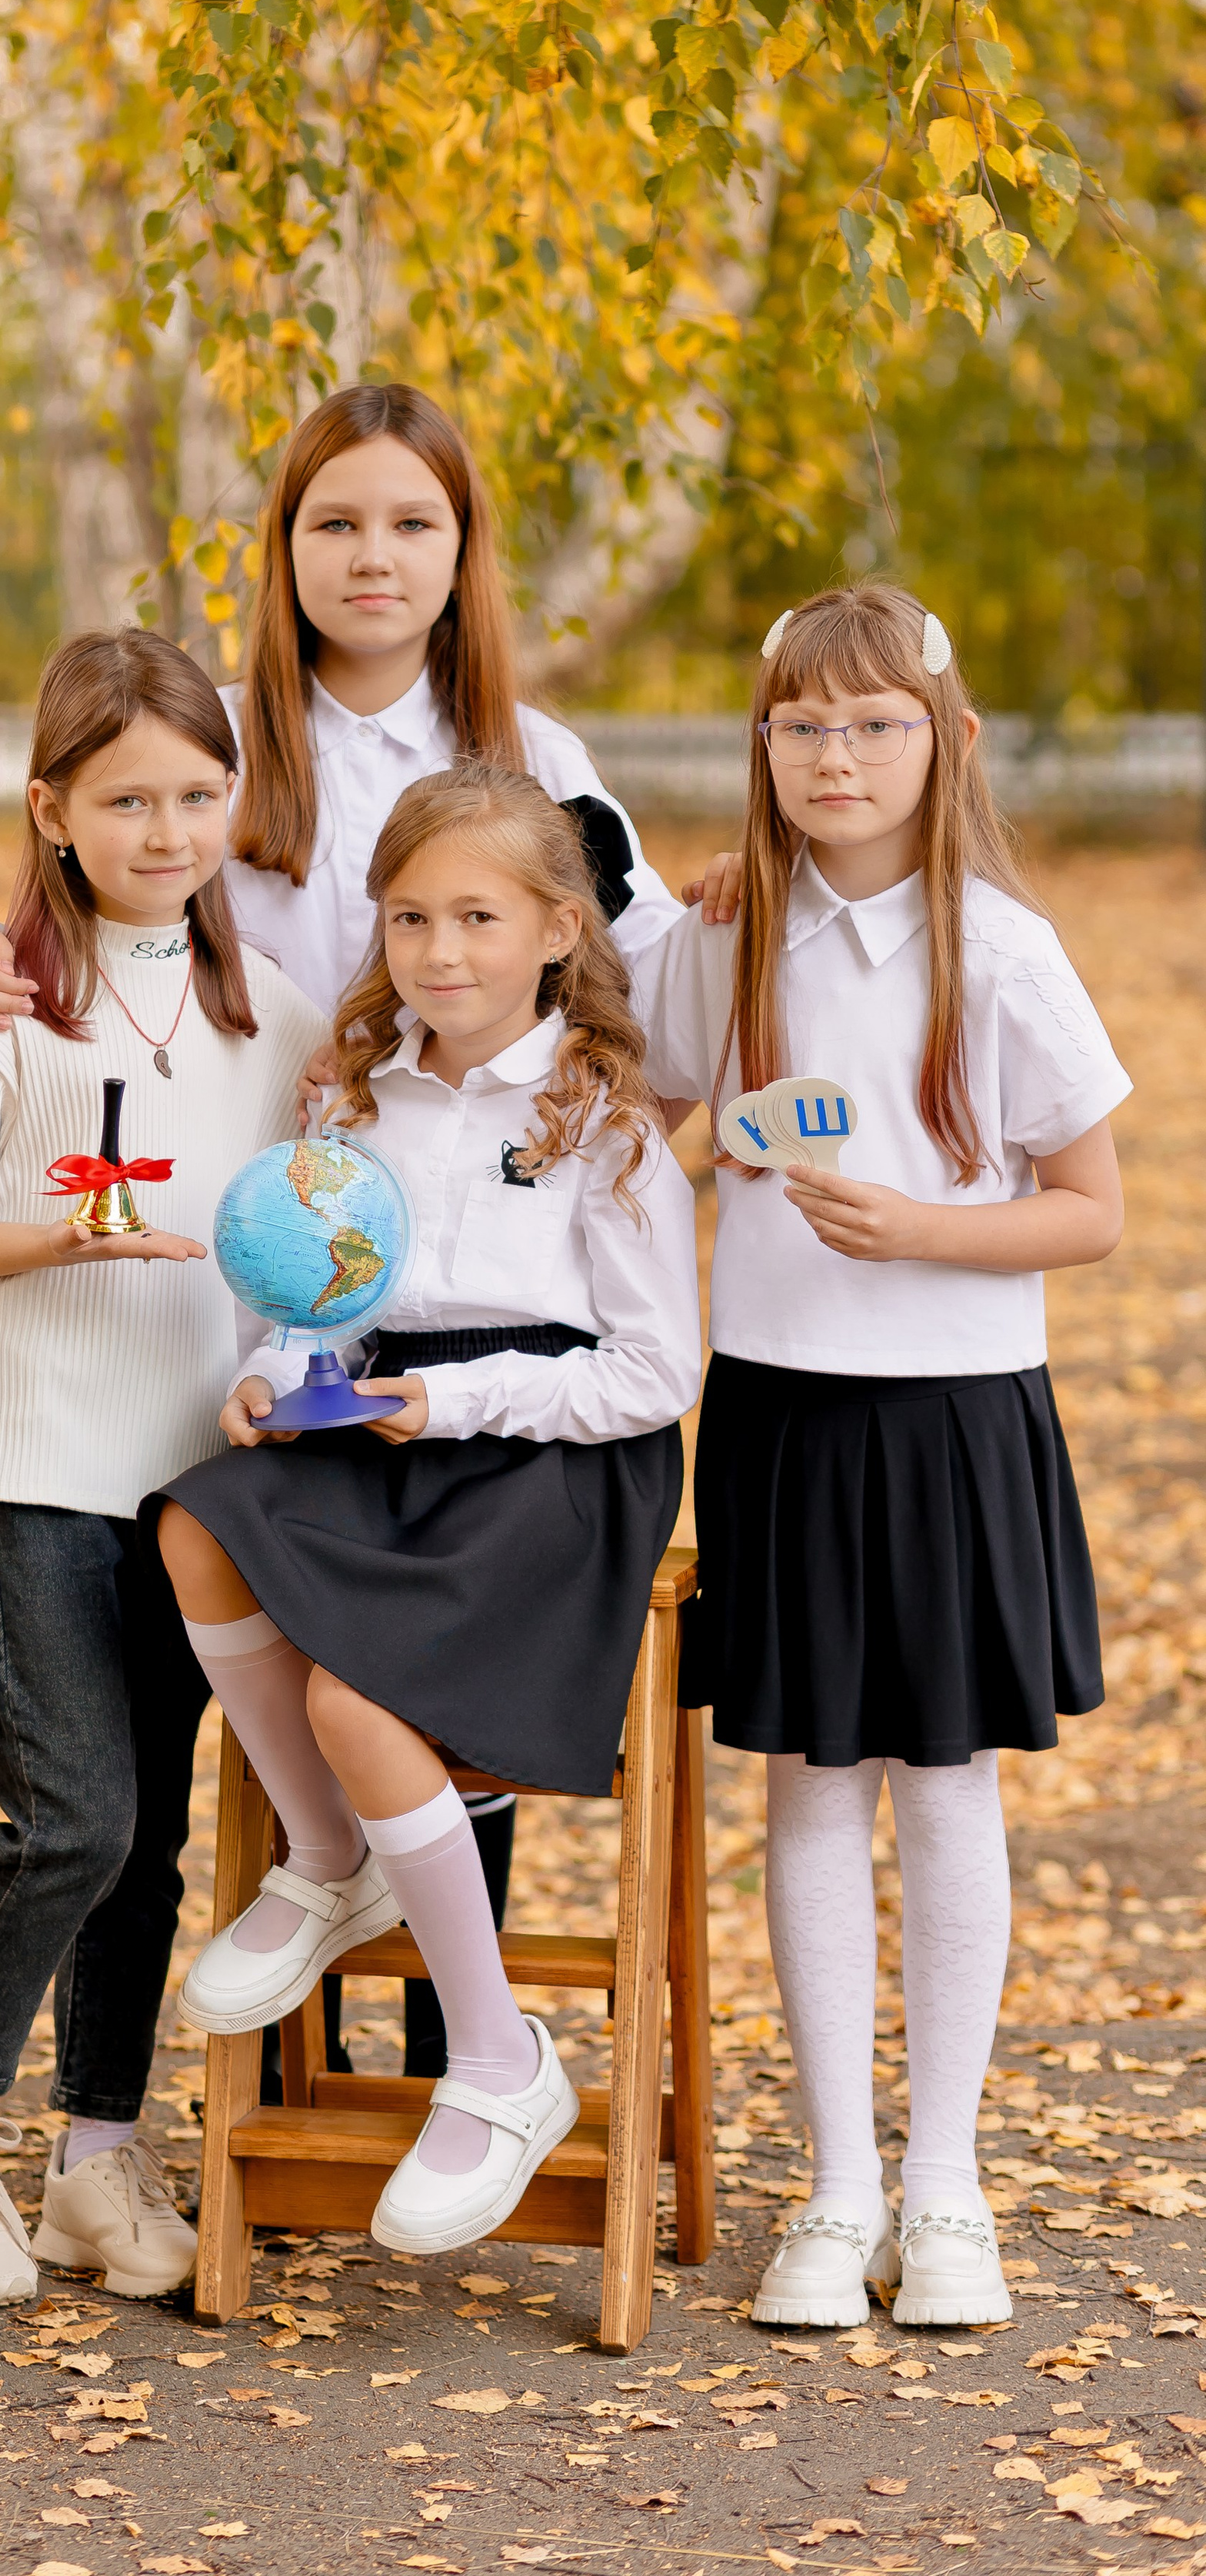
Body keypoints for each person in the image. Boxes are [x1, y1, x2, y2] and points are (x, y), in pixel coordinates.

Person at [0, 381, 686, 2077]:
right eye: (334, 521)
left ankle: (444, 2068)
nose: (372, 556)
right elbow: (92, 887)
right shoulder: (227, 747)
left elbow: (646, 997)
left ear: (464, 548)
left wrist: (566, 1183)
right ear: (282, 547)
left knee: (422, 1687)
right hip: (257, 1292)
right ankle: (266, 2094)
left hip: (467, 1314)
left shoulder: (541, 762)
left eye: (413, 521)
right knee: (230, 1700)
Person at [635, 582, 1129, 2332]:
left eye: (872, 724)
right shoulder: (720, 940)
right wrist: (683, 1152)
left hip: (955, 1414)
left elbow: (1090, 1208)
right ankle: (836, 2188)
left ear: (947, 741)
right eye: (800, 725)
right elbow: (641, 1117)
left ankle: (947, 2184)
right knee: (808, 1782)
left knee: (944, 1781)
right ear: (760, 745)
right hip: (776, 1408)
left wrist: (923, 1231)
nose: (833, 755)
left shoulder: (1003, 951)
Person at [155, 764, 701, 2254]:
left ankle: (498, 2058)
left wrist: (454, 1402)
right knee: (199, 1519)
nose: (439, 950)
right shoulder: (351, 1098)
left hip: (551, 1461)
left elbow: (654, 1370)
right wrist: (276, 1374)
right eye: (409, 916)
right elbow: (324, 1304)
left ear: (556, 929)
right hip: (388, 1429)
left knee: (356, 1697)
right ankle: (330, 1861)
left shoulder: (604, 1120)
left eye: (477, 916)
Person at [0, 629, 328, 2306]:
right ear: (51, 808)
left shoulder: (269, 1017)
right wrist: (61, 1233)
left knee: (147, 1844)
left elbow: (296, 1233)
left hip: (197, 1475)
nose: (166, 831)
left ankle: (94, 2156)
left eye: (197, 795)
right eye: (126, 799)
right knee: (71, 1816)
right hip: (46, 1453)